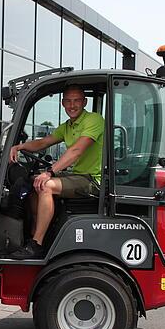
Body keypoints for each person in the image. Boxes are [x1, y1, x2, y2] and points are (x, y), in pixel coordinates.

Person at [9, 84, 104, 259]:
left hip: (92, 180)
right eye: (68, 101)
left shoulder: (94, 120)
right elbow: (43, 143)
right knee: (33, 182)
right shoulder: (68, 126)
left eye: (76, 100)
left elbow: (76, 151)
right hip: (77, 176)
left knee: (46, 185)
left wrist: (50, 172)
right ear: (62, 103)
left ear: (85, 102)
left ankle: (36, 244)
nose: (72, 105)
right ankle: (34, 235)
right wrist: (19, 146)